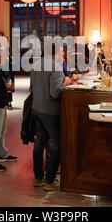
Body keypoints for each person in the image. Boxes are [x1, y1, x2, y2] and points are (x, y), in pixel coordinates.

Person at [30, 43, 75, 192]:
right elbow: (55, 92)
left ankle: (38, 178)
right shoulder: (55, 67)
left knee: (40, 143)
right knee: (58, 145)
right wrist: (68, 83)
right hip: (50, 112)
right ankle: (49, 180)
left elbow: (32, 88)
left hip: (37, 108)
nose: (63, 55)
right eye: (62, 52)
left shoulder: (37, 64)